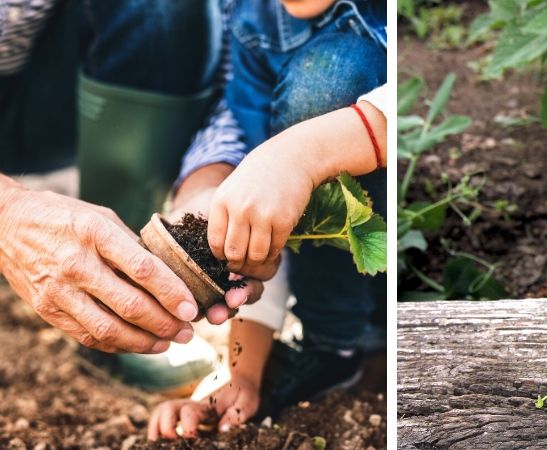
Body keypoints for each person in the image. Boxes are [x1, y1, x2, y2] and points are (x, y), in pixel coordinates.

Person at [146, 0, 387, 440]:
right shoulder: (252, 23)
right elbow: (263, 211)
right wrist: (242, 374)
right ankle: (333, 344)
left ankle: (359, 327)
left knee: (333, 71)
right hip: (342, 280)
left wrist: (303, 154)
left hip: (402, 241)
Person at [0, 0, 262, 356]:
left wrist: (207, 184)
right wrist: (8, 215)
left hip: (50, 90)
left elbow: (237, 76)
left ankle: (115, 299)